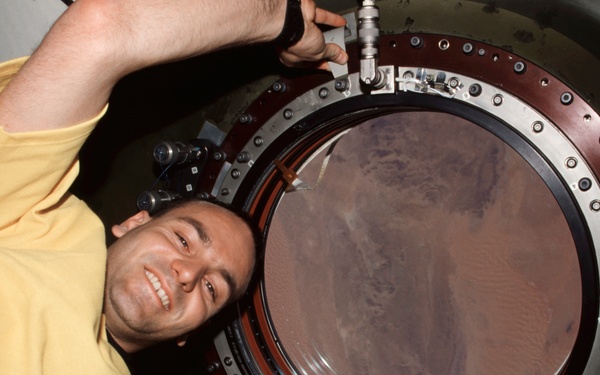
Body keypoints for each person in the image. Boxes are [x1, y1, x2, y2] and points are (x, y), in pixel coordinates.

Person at [0, 0, 348, 373]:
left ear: (190, 333)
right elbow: (100, 27)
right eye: (183, 239)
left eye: (212, 289)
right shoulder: (33, 212)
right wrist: (280, 16)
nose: (187, 274)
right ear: (134, 223)